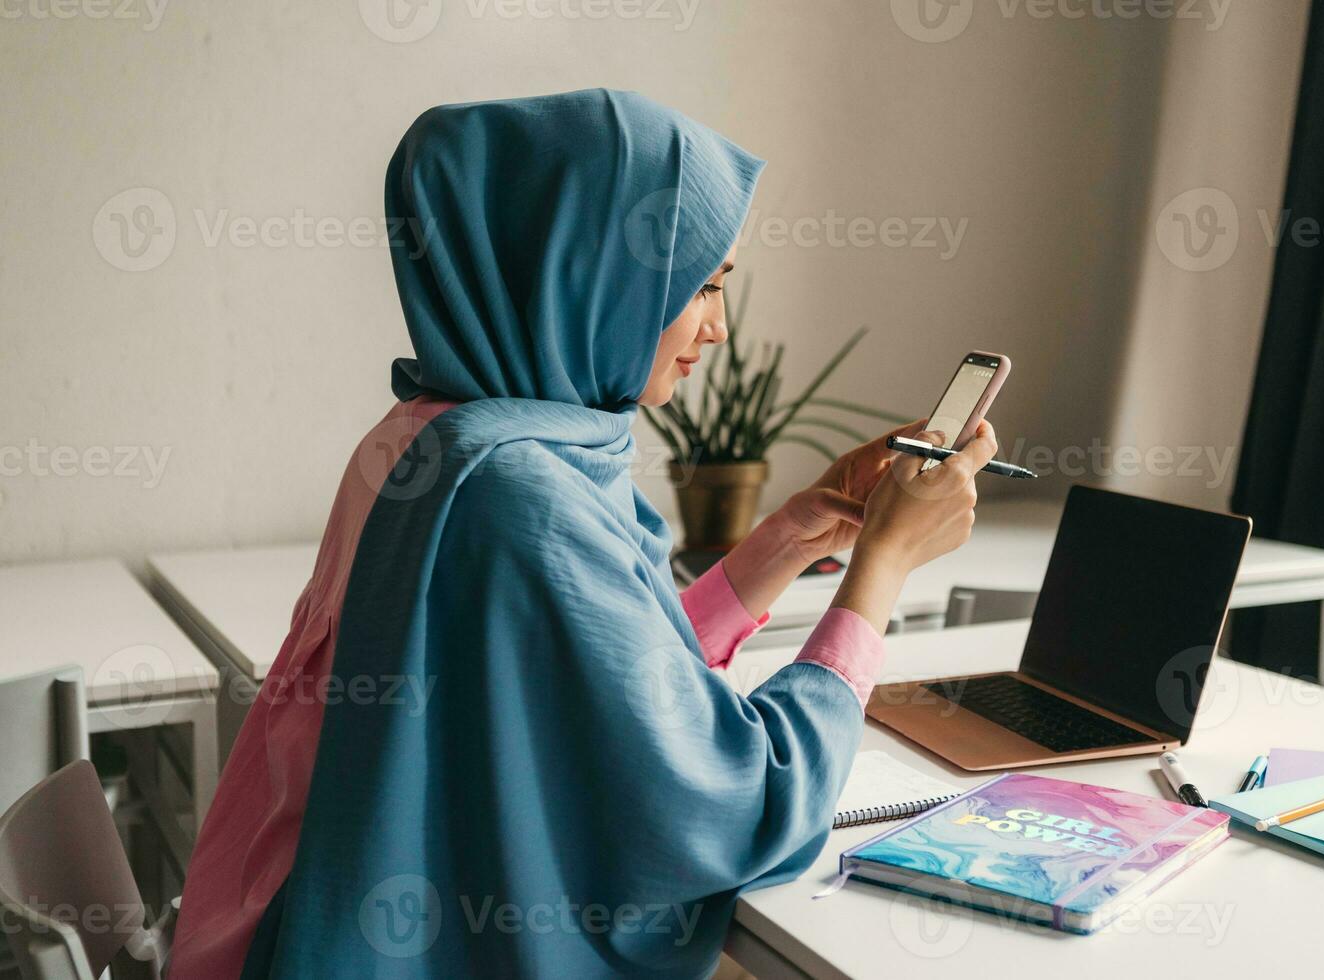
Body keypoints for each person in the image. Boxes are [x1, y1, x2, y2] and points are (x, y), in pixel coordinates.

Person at [169, 88, 997, 979]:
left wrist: (790, 538)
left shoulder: (429, 434)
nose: (717, 328)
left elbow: (597, 677)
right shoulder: (518, 491)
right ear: (587, 271)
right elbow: (736, 804)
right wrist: (881, 567)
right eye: (702, 287)